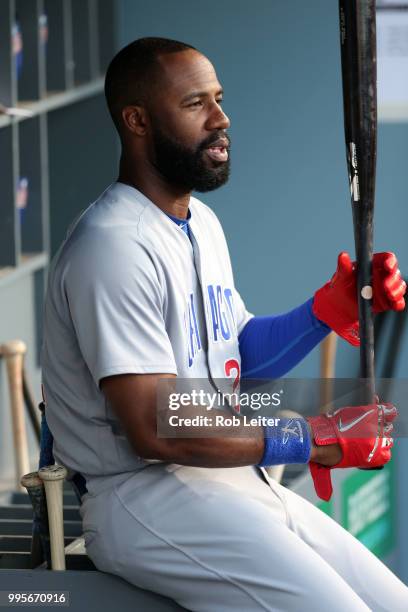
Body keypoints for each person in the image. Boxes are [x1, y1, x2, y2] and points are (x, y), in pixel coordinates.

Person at [41, 37, 408, 611]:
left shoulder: (201, 223)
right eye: (195, 105)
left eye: (218, 98)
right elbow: (155, 429)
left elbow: (236, 358)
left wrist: (325, 312)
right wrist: (310, 437)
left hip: (229, 476)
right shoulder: (111, 247)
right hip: (144, 497)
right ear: (137, 120)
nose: (221, 118)